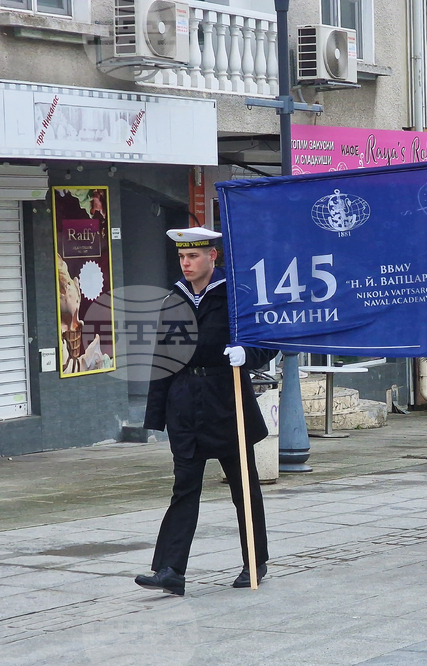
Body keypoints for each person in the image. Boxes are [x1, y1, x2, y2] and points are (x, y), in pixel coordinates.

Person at [137, 227, 276, 596]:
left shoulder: (234, 296)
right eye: (182, 257)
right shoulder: (173, 300)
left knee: (243, 488)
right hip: (184, 404)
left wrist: (249, 354)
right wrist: (156, 415)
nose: (186, 263)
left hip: (226, 400)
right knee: (184, 488)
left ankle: (254, 562)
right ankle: (170, 569)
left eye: (193, 256)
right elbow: (162, 360)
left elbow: (266, 340)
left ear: (212, 257)